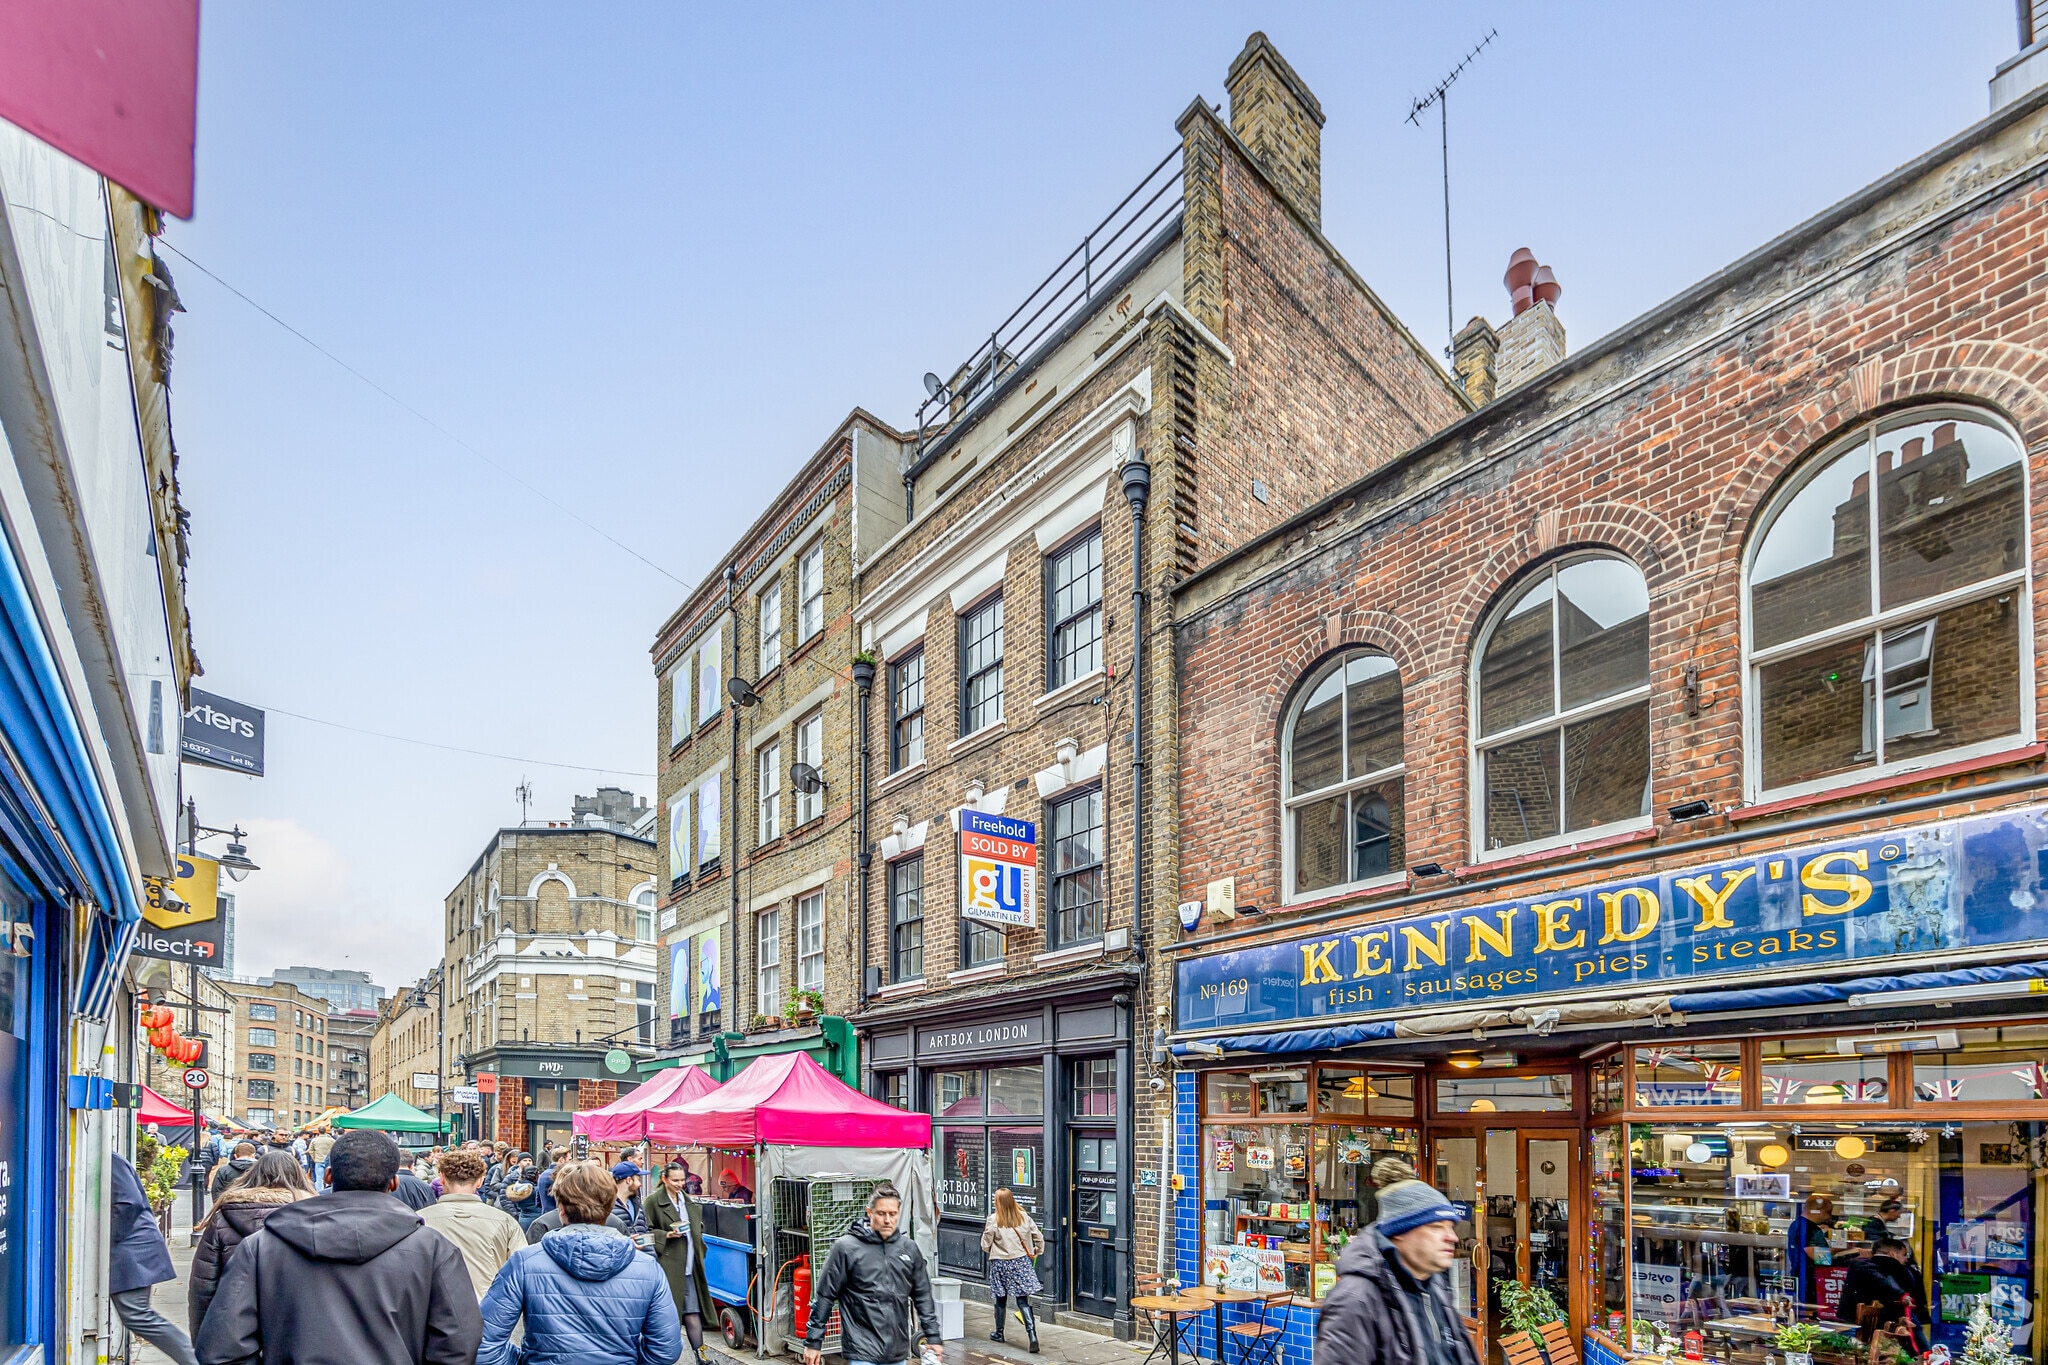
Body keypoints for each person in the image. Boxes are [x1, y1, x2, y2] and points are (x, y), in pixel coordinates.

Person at [197, 1129, 481, 1365]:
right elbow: (458, 1343)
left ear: (329, 1176)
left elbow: (222, 1347)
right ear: (394, 1182)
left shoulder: (261, 1247)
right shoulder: (433, 1250)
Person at [476, 1160, 681, 1365]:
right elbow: (666, 1349)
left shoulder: (525, 1263)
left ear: (561, 1210)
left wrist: (525, 1360)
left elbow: (484, 1344)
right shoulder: (647, 1268)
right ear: (609, 1208)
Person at [1316, 1179, 1481, 1365]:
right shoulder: (1355, 1300)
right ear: (1400, 1231)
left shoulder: (1435, 1285)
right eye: (1436, 1227)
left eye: (1450, 1227)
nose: (1452, 1237)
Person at [802, 1183, 940, 1365]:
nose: (887, 1220)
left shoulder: (909, 1249)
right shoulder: (846, 1248)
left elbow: (922, 1295)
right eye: (881, 1213)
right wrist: (813, 1342)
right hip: (862, 1350)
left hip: (897, 1351)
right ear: (869, 1212)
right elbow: (825, 1296)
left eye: (893, 1214)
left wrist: (933, 1336)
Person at [188, 1151, 315, 1338]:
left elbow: (204, 1284)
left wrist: (200, 1339)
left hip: (234, 1323)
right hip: (296, 1324)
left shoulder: (224, 1216)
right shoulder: (313, 1216)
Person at [111, 1150, 200, 1365]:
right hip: (133, 1246)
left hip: (132, 1248)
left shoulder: (107, 1159)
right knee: (136, 1313)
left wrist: (106, 1239)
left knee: (136, 1313)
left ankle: (194, 1359)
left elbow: (128, 1203)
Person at [420, 1148, 525, 1299]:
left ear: (442, 1178)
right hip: (488, 1307)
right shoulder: (506, 1222)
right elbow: (520, 1269)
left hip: (435, 1310)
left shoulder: (420, 1219)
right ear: (480, 1181)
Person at [646, 1161, 715, 1365]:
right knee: (668, 1317)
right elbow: (645, 1232)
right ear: (664, 1179)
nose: (680, 1184)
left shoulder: (686, 1200)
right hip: (667, 1267)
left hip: (689, 1265)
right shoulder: (652, 1202)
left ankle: (701, 1356)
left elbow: (696, 1225)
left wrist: (697, 1231)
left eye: (682, 1180)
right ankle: (662, 1358)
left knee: (692, 1312)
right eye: (675, 1180)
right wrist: (665, 1234)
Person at [981, 1188, 1045, 1352]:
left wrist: (994, 1249)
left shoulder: (993, 1220)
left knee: (1000, 1299)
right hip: (1021, 1262)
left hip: (1000, 1263)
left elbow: (985, 1245)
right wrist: (1038, 1250)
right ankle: (1032, 1336)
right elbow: (1038, 1236)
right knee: (1022, 1300)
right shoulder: (1023, 1216)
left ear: (997, 1202)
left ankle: (999, 1333)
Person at [1839, 1237, 1925, 1346]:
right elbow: (1881, 1280)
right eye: (1904, 1255)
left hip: (1857, 1324)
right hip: (1854, 1325)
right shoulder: (1866, 1266)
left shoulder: (1864, 1265)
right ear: (1892, 1253)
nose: (1906, 1260)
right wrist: (1901, 1295)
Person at [1786, 1193, 1839, 1306]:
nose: (1830, 1216)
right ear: (1817, 1210)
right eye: (1828, 1212)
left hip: (1802, 1277)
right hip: (1810, 1280)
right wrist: (1838, 1251)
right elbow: (1818, 1257)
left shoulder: (1797, 1224)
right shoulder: (1808, 1228)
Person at [608, 1162, 649, 1239]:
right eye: (638, 1179)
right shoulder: (607, 1207)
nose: (640, 1184)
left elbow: (646, 1233)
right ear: (629, 1180)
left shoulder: (638, 1205)